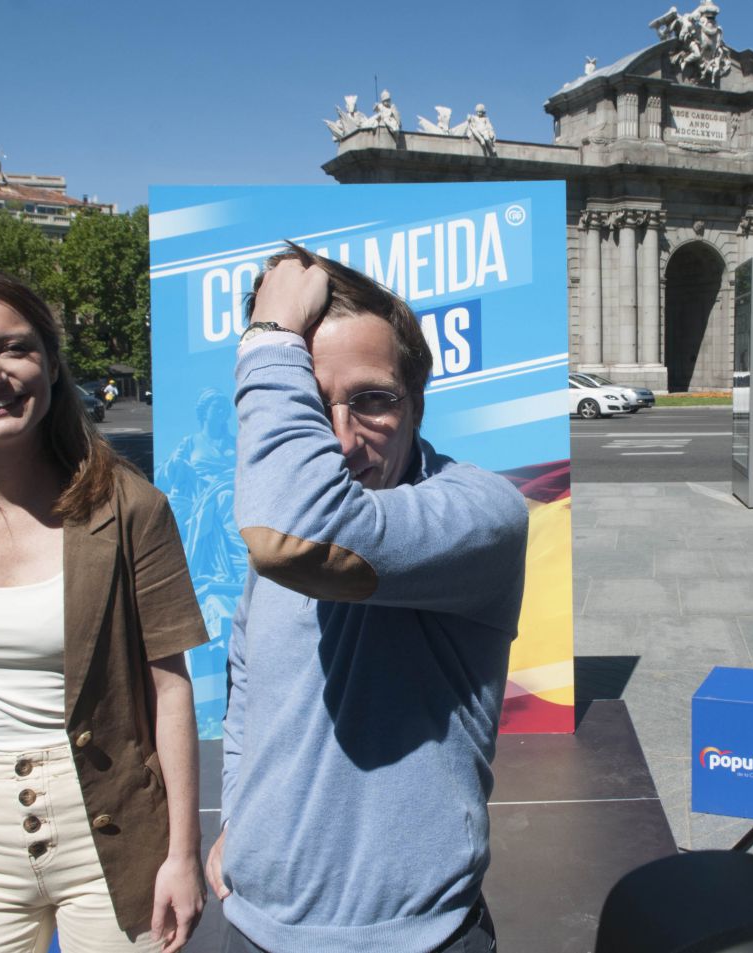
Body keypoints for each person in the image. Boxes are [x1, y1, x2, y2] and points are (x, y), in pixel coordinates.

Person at [206, 246, 529, 952]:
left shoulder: (480, 512)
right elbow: (248, 691)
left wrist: (268, 343)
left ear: (417, 402)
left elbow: (305, 532)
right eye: (309, 400)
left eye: (373, 400)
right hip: (254, 924)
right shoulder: (279, 530)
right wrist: (241, 818)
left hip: (417, 940)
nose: (342, 439)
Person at [0, 270, 208, 953]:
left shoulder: (129, 508)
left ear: (51, 365)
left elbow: (170, 687)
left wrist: (182, 852)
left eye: (14, 348)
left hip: (111, 824)